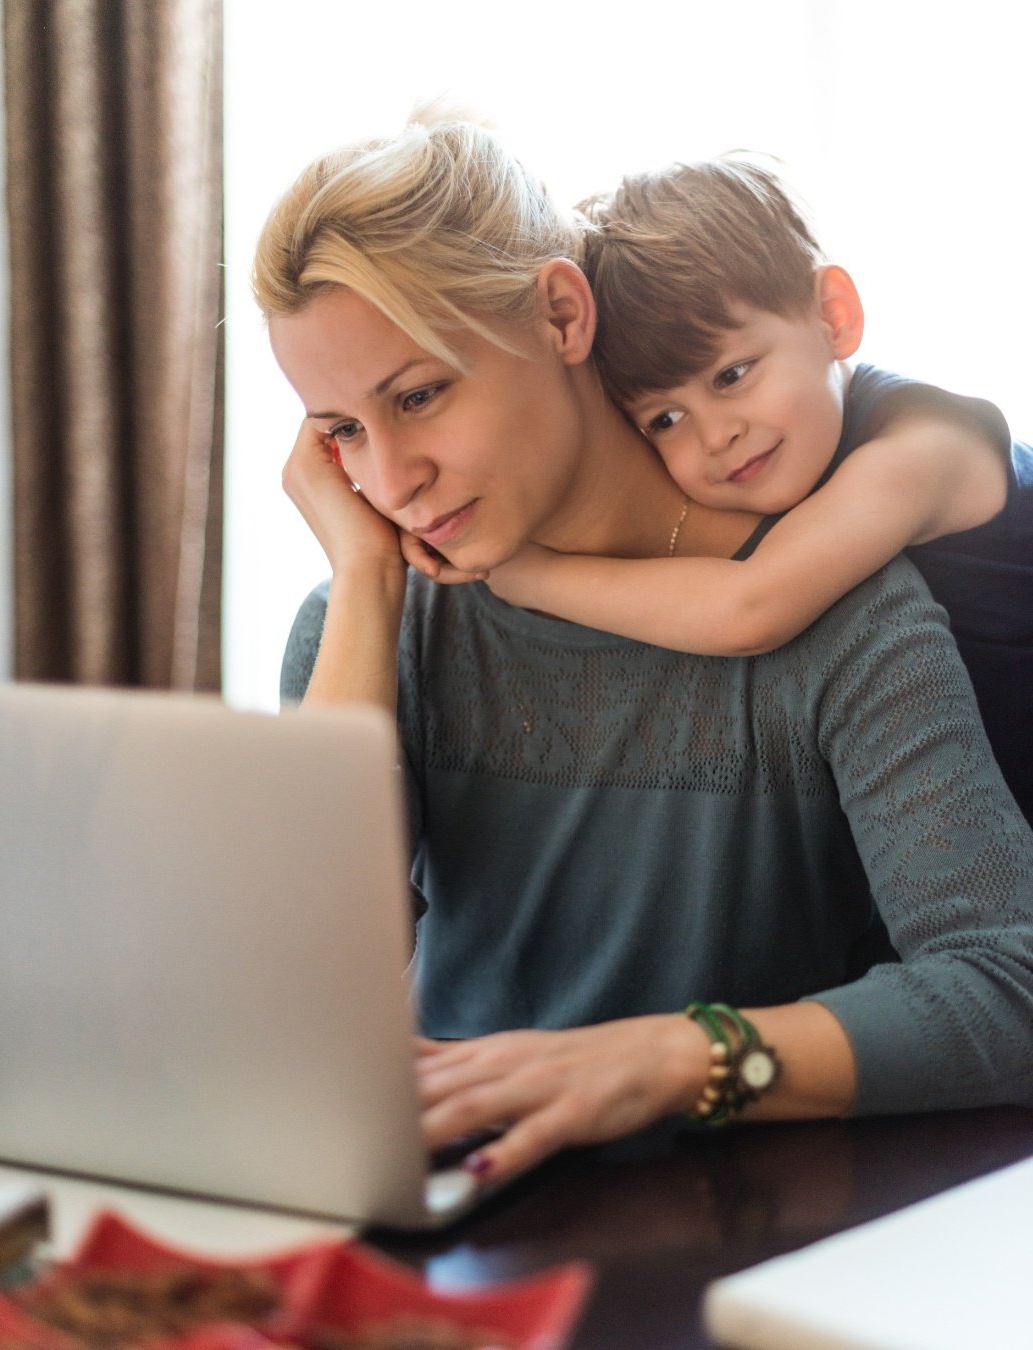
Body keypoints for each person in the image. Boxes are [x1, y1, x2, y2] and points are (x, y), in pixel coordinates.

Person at [252, 116, 1033, 1187]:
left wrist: (678, 1055)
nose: (391, 484)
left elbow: (1008, 986)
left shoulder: (845, 612)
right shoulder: (366, 618)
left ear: (563, 314)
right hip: (461, 1228)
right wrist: (366, 582)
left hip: (729, 1240)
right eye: (340, 430)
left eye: (420, 395)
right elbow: (296, 1002)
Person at [477, 157, 1033, 823]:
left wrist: (527, 576)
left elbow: (751, 608)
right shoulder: (791, 457)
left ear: (834, 316)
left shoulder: (924, 445)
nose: (715, 436)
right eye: (665, 419)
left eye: (733, 374)